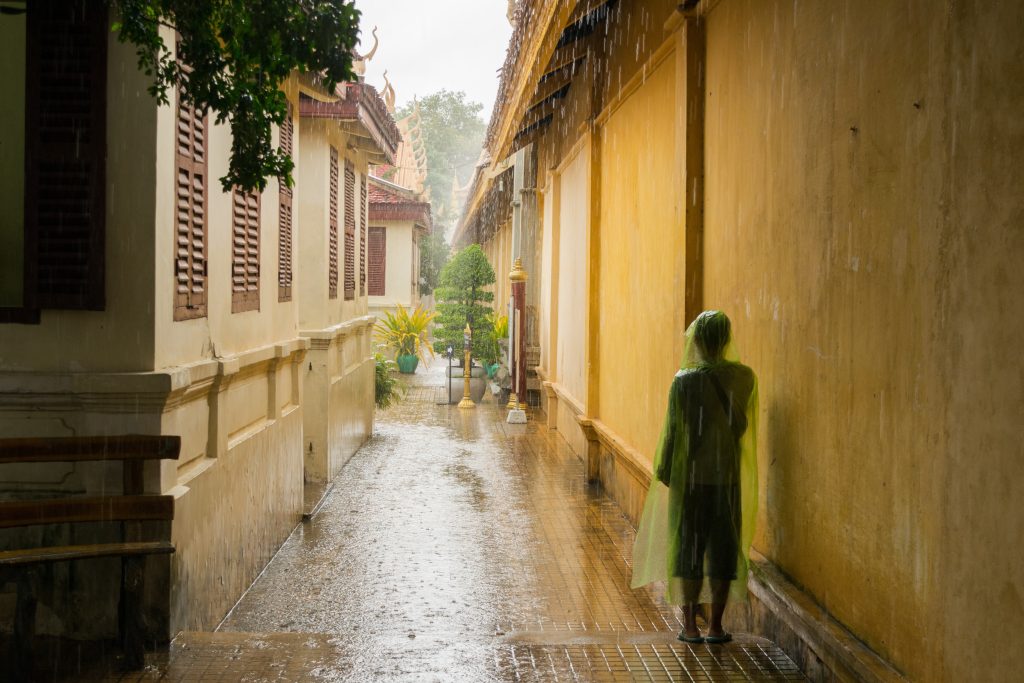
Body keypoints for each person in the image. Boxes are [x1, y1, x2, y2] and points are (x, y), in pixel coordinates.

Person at [631, 310, 758, 644]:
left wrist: (663, 472)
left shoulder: (683, 382)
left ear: (698, 340)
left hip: (690, 481)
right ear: (727, 339)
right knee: (723, 553)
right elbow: (742, 428)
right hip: (726, 479)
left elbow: (673, 433)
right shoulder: (744, 378)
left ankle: (689, 626)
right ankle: (716, 626)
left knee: (688, 550)